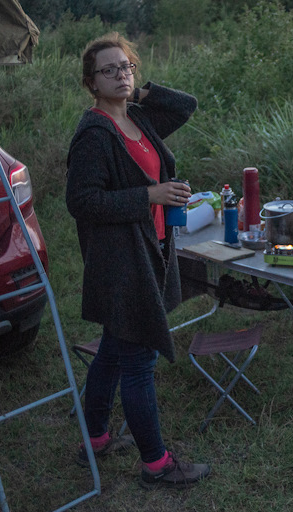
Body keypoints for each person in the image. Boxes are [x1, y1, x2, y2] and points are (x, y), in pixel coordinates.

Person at [65, 32, 210, 489]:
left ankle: (95, 438)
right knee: (138, 359)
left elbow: (186, 106)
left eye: (126, 66)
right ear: (92, 82)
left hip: (147, 250)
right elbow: (82, 201)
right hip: (120, 262)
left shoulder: (139, 120)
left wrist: (144, 91)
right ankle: (156, 463)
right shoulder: (95, 133)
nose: (121, 75)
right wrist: (150, 194)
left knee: (113, 348)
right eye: (109, 70)